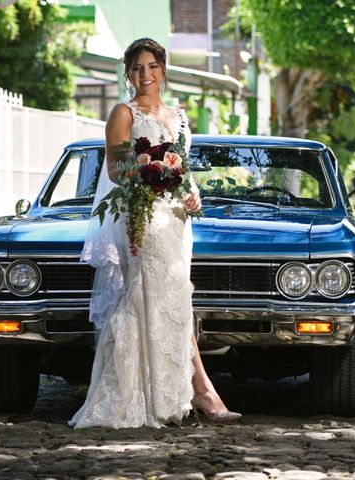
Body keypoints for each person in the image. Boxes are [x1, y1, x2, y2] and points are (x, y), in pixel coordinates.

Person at [69, 38, 241, 429]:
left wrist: (191, 192)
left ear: (163, 70)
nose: (144, 75)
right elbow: (115, 170)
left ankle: (178, 394)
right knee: (149, 295)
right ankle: (193, 392)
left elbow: (186, 170)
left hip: (177, 219)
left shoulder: (178, 115)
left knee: (175, 297)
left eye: (151, 67)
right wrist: (148, 168)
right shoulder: (122, 113)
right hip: (143, 217)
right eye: (136, 68)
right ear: (128, 74)